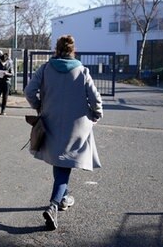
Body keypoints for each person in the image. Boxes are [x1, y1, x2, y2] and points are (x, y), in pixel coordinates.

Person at [24, 34, 103, 231]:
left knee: (60, 160)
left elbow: (29, 91)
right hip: (75, 126)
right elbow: (95, 98)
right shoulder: (82, 71)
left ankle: (64, 198)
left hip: (50, 121)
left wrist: (39, 106)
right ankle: (54, 205)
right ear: (72, 50)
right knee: (64, 162)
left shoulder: (46, 68)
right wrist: (96, 114)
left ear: (56, 49)